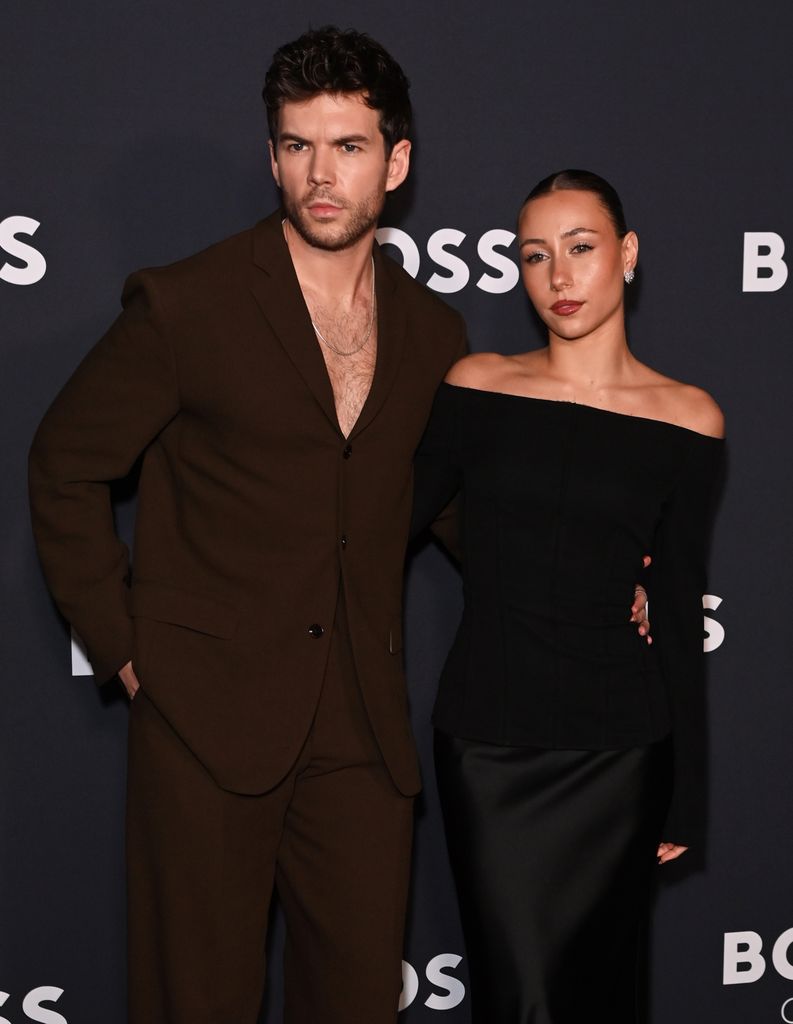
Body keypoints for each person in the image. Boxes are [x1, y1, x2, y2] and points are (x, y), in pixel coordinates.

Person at [27, 26, 471, 1024]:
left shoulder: (434, 332)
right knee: (195, 1003)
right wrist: (127, 649)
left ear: (395, 163)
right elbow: (63, 463)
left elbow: (448, 500)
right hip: (204, 718)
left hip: (362, 735)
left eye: (347, 147)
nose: (320, 175)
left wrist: (580, 574)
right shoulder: (188, 304)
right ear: (272, 155)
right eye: (296, 145)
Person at [412, 169, 724, 1022]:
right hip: (490, 742)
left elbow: (678, 606)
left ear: (625, 255)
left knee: (604, 998)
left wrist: (684, 790)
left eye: (580, 249)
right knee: (522, 1001)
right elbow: (374, 528)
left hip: (621, 751)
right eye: (534, 256)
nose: (558, 277)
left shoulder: (688, 417)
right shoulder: (476, 386)